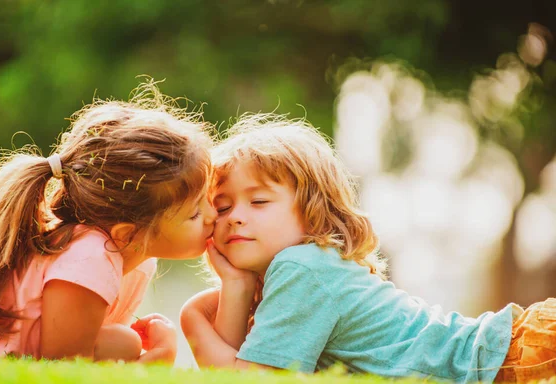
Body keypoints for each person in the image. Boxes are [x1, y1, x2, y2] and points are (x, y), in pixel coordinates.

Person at [180, 114, 556, 383]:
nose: (235, 218)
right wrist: (236, 286)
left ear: (313, 210)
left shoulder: (303, 267)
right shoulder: (296, 272)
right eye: (223, 206)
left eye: (259, 202)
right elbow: (243, 364)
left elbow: (252, 379)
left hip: (502, 360)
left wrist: (193, 320)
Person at [0, 80, 217, 363]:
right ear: (129, 235)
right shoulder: (92, 256)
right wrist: (153, 361)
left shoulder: (133, 257)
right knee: (125, 342)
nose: (213, 215)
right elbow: (63, 365)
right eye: (194, 213)